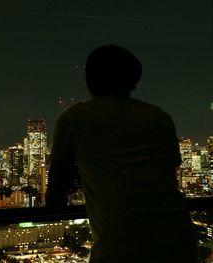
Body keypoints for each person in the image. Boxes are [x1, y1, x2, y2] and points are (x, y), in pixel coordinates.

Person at [46, 45, 198, 262]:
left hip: (119, 245)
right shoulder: (158, 117)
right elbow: (165, 172)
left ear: (89, 79)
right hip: (178, 239)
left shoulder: (73, 120)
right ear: (134, 81)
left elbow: (54, 195)